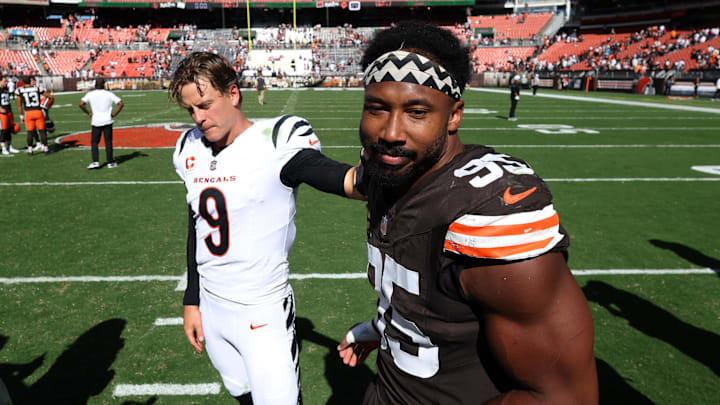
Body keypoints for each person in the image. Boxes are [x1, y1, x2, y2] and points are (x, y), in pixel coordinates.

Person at [336, 22, 598, 405]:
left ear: (454, 115)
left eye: (417, 111)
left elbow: (563, 397)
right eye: (377, 109)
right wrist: (381, 328)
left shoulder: (486, 213)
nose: (391, 132)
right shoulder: (390, 171)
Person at [169, 51, 362, 404]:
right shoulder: (188, 149)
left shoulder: (276, 140)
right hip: (212, 308)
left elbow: (337, 178)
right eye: (190, 110)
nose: (198, 117)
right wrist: (192, 299)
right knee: (239, 391)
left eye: (206, 105)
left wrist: (382, 178)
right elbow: (196, 225)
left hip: (262, 310)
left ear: (233, 93)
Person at [79, 78, 124, 169]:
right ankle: (110, 162)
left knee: (94, 142)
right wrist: (114, 114)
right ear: (103, 85)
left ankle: (95, 161)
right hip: (107, 120)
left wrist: (88, 113)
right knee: (108, 142)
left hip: (96, 121)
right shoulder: (109, 94)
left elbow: (81, 104)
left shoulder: (90, 94)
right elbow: (120, 103)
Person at [16, 76, 49, 155]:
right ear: (30, 81)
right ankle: (46, 149)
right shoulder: (37, 88)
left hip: (28, 113)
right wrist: (45, 104)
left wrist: (21, 116)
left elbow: (19, 105)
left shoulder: (19, 90)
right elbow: (48, 96)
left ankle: (30, 150)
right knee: (42, 131)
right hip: (38, 111)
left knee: (30, 132)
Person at [0, 74, 20, 155]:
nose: (6, 82)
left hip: (9, 110)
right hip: (2, 113)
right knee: (3, 130)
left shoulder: (6, 88)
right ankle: (3, 147)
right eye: (5, 81)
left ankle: (10, 146)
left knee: (9, 129)